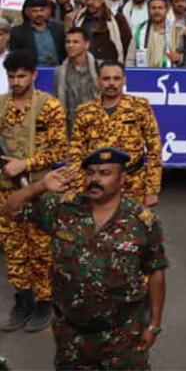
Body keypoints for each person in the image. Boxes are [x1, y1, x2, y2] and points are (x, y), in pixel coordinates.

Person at [3, 151, 166, 369]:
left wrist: (154, 325)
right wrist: (41, 185)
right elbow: (10, 208)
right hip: (71, 335)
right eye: (90, 173)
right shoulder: (63, 209)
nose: (95, 179)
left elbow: (156, 271)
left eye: (105, 173)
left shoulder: (141, 221)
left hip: (123, 334)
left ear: (122, 178)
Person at [0, 49, 67, 333]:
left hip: (40, 189)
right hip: (5, 192)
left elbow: (57, 150)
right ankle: (23, 301)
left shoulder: (49, 107)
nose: (16, 82)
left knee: (41, 248)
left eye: (22, 76)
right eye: (12, 76)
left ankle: (44, 303)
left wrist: (23, 164)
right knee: (14, 249)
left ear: (34, 75)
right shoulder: (1, 105)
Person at [67, 61, 163, 206]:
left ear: (124, 80)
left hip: (133, 185)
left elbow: (154, 149)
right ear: (98, 81)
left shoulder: (140, 107)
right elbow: (75, 151)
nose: (111, 83)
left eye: (116, 78)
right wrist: (79, 186)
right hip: (97, 184)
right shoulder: (85, 111)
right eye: (106, 79)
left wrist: (152, 190)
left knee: (132, 227)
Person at [54, 27, 100, 137]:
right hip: (72, 130)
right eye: (68, 42)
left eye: (76, 42)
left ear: (86, 45)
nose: (70, 45)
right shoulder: (60, 72)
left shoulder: (99, 68)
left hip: (98, 127)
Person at [125, 0, 182, 68]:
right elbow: (130, 59)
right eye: (153, 8)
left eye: (160, 8)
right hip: (144, 75)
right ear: (148, 10)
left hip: (170, 76)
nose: (157, 11)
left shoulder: (178, 31)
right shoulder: (140, 30)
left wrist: (179, 59)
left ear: (167, 10)